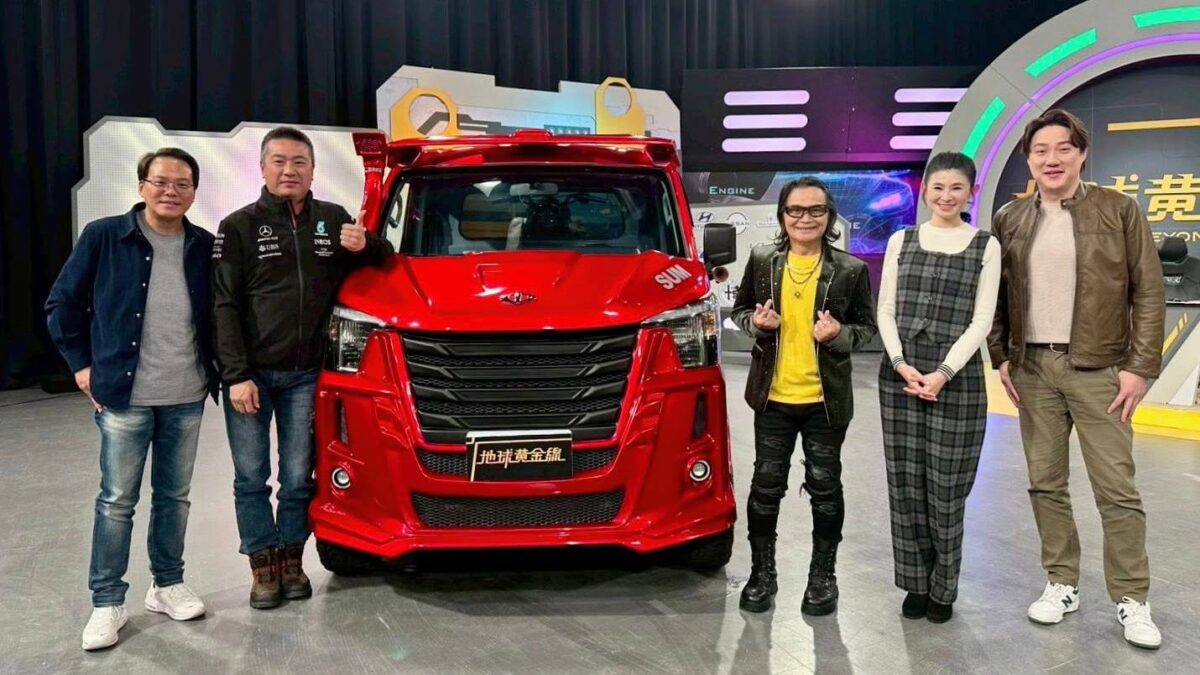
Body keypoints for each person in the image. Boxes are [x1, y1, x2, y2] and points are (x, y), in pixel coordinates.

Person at [988, 109, 1166, 649]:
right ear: (1028, 159)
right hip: (1033, 371)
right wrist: (1001, 356)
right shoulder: (1010, 218)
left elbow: (1149, 290)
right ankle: (1061, 582)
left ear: (1082, 153)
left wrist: (1140, 367)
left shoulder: (1119, 209)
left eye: (1063, 148)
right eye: (1040, 150)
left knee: (1116, 489)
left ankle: (1132, 597)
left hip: (1100, 369)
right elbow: (995, 295)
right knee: (1045, 483)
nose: (1052, 159)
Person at [212, 126, 393, 609]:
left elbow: (384, 259)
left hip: (306, 376)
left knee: (297, 476)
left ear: (313, 170)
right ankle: (262, 565)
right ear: (262, 167)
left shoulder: (333, 220)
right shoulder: (238, 226)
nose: (288, 170)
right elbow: (224, 305)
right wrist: (235, 375)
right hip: (251, 377)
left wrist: (366, 245)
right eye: (279, 161)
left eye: (299, 162)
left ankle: (292, 559)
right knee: (251, 477)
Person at [46, 148, 216, 650]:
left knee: (174, 497)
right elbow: (62, 304)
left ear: (193, 192)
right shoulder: (104, 236)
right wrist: (81, 367)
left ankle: (166, 584)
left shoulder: (203, 245)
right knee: (117, 500)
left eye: (182, 184)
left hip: (186, 394)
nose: (171, 192)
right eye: (161, 181)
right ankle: (107, 601)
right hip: (124, 396)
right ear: (142, 186)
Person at [731, 177, 878, 614]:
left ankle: (822, 576)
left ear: (829, 217)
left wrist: (838, 335)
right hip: (772, 398)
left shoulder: (850, 269)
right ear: (782, 216)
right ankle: (762, 573)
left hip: (825, 402)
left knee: (825, 488)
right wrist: (757, 325)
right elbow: (741, 311)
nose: (805, 218)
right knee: (765, 488)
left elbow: (866, 329)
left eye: (816, 210)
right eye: (795, 210)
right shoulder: (763, 260)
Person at [877, 152, 1000, 623]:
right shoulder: (901, 240)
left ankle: (943, 588)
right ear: (925, 190)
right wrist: (900, 363)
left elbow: (982, 320)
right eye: (938, 187)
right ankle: (915, 582)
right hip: (901, 376)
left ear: (971, 192)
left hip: (957, 379)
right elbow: (886, 309)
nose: (946, 196)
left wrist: (943, 372)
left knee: (947, 489)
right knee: (906, 484)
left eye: (956, 188)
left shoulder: (985, 245)